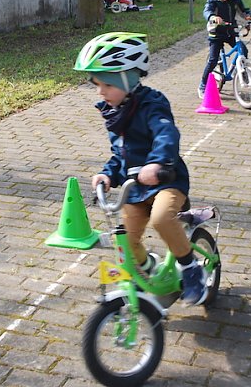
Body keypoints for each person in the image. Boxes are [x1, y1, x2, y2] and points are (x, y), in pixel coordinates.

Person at [75, 32, 207, 306]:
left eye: (107, 84)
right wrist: (108, 173)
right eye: (97, 84)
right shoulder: (115, 112)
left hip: (166, 181)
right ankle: (147, 269)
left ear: (128, 79)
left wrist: (157, 163)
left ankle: (191, 268)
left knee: (161, 219)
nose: (101, 92)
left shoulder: (152, 104)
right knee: (124, 239)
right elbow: (120, 154)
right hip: (135, 190)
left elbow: (166, 135)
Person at [199, 0, 251, 98]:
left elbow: (244, 11)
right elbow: (207, 11)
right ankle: (203, 85)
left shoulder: (235, 0)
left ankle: (242, 73)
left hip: (231, 31)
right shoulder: (213, 1)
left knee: (243, 50)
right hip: (216, 33)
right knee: (213, 60)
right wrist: (213, 17)